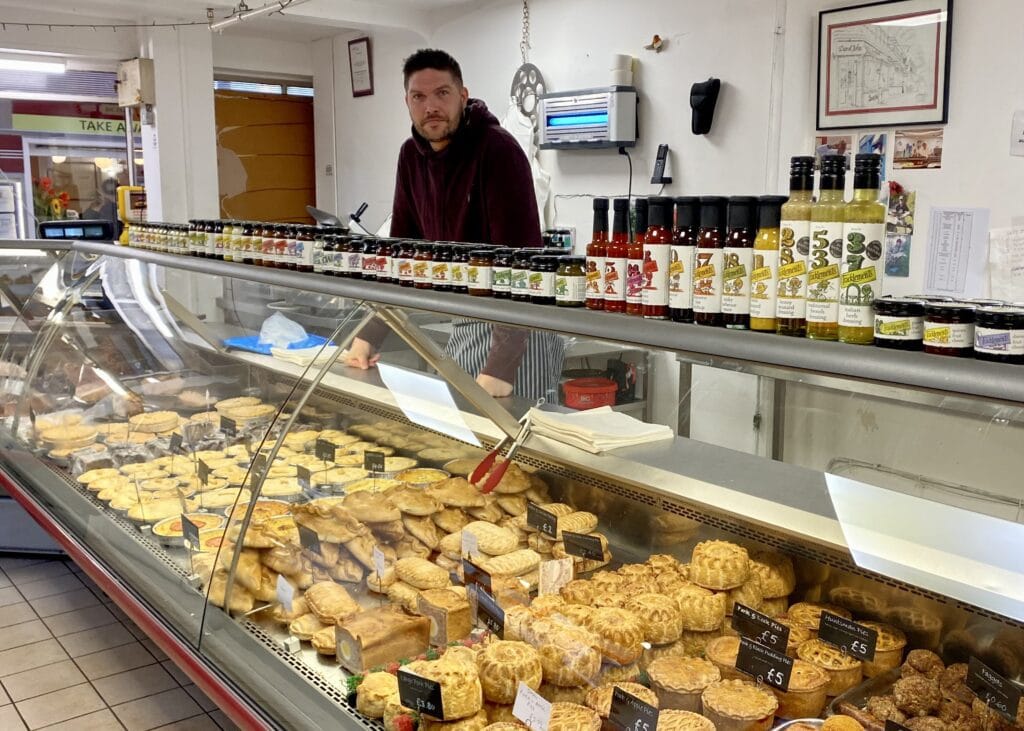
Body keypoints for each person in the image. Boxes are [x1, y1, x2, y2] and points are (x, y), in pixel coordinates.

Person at [344, 49, 563, 401]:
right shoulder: (411, 157)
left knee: (515, 433)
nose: (431, 106)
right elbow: (403, 255)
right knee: (463, 431)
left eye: (442, 93)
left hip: (516, 329)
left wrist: (501, 367)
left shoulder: (498, 150)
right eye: (419, 97)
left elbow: (521, 265)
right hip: (463, 320)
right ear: (407, 102)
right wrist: (369, 335)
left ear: (462, 96)